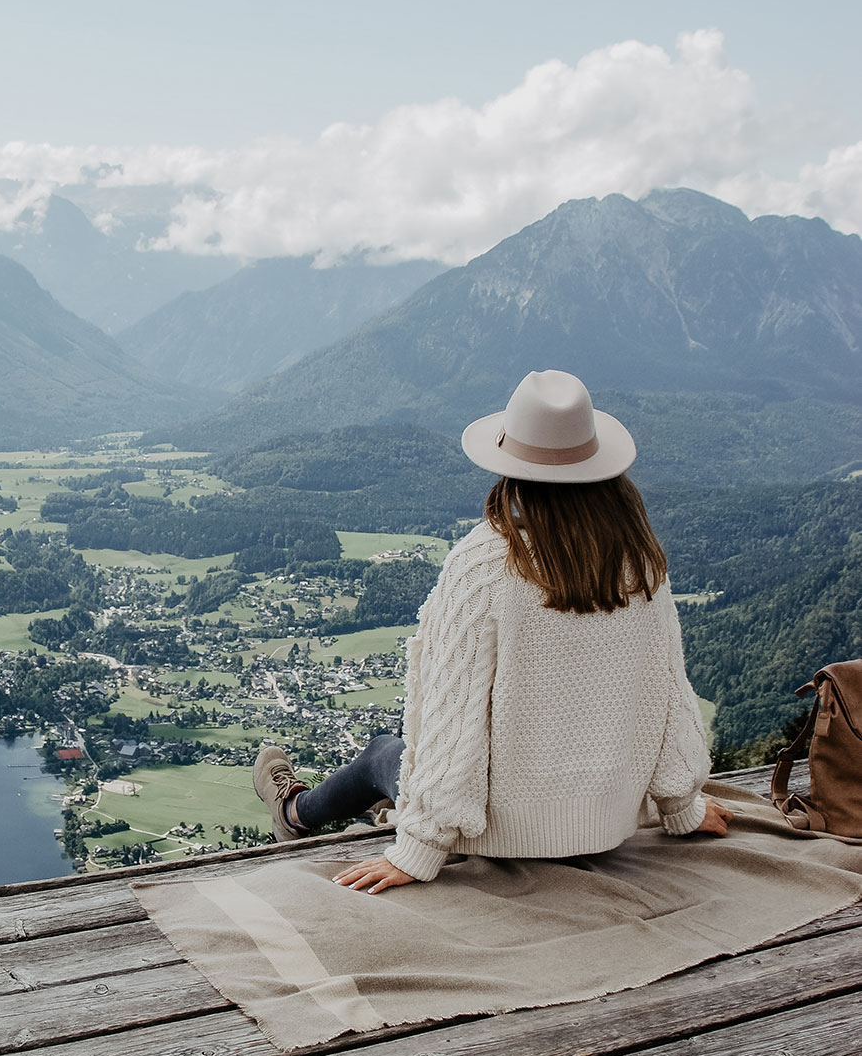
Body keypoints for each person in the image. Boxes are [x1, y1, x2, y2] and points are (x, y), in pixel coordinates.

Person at [253, 368, 729, 894]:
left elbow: (452, 719)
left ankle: (294, 812)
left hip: (498, 832)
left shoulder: (486, 563)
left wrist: (417, 850)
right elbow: (668, 694)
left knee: (382, 754)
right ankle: (297, 810)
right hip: (607, 825)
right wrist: (683, 808)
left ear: (512, 469)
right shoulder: (641, 562)